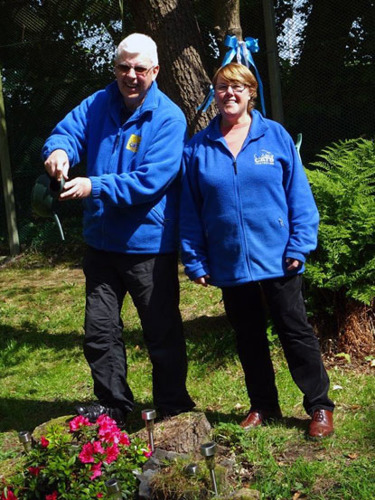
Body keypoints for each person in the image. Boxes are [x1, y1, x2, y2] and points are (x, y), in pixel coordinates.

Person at [42, 33, 195, 425]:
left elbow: (151, 181)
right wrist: (59, 152)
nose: (130, 75)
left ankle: (173, 406)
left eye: (139, 69)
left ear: (155, 71)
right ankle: (114, 405)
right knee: (99, 331)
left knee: (161, 332)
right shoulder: (98, 102)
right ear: (115, 68)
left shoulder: (169, 117)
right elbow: (66, 132)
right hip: (101, 244)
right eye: (123, 67)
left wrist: (95, 185)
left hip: (148, 245)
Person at [180, 62, 334, 439]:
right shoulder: (198, 148)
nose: (229, 94)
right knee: (248, 336)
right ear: (213, 95)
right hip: (229, 261)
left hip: (279, 257)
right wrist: (195, 258)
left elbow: (300, 195)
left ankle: (319, 406)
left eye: (237, 87)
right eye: (221, 87)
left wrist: (299, 243)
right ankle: (263, 405)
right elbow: (189, 211)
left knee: (294, 331)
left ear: (251, 93)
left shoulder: (274, 136)